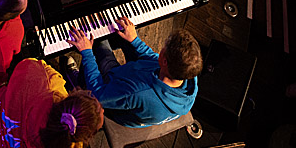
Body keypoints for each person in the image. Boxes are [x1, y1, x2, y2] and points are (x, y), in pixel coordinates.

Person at [0, 58, 104, 148]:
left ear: (72, 96)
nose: (103, 110)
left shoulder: (46, 79)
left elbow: (28, 63)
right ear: (85, 137)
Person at [68, 19, 202, 128]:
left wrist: (86, 53)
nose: (160, 49)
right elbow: (153, 60)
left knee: (99, 41)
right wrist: (134, 40)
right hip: (139, 80)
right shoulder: (187, 73)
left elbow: (97, 94)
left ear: (165, 61)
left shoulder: (137, 92)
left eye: (163, 48)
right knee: (124, 33)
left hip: (114, 103)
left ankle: (79, 84)